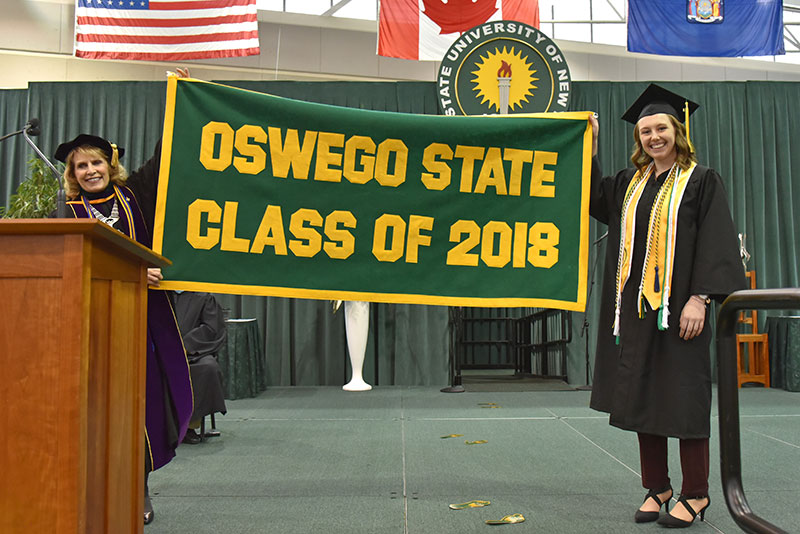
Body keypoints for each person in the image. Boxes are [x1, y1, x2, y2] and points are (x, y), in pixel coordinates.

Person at [588, 84, 747, 528]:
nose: (653, 137)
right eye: (645, 132)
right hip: (637, 311)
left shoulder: (701, 181)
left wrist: (700, 299)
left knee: (684, 397)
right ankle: (657, 488)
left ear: (678, 130)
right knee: (643, 396)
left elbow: (715, 243)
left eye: (661, 128)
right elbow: (593, 198)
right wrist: (592, 146)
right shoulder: (628, 184)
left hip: (680, 312)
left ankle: (696, 494)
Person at [54, 133, 194, 525]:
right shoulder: (65, 213)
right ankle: (94, 488)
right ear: (72, 174)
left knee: (141, 404)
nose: (90, 171)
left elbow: (164, 155)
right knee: (98, 408)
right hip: (93, 323)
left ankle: (137, 488)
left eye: (96, 163)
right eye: (81, 166)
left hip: (143, 320)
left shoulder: (134, 196)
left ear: (109, 165)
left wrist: (178, 100)